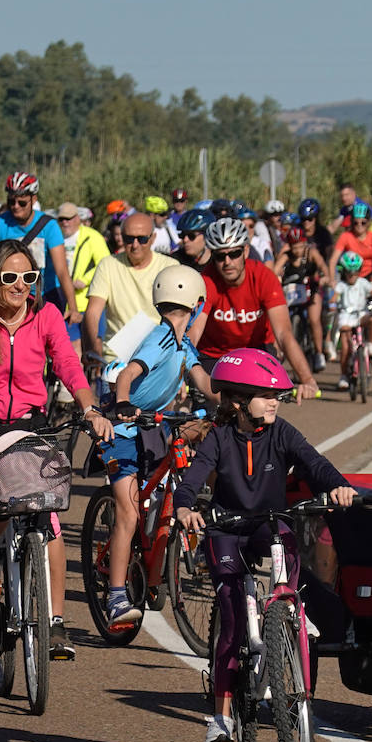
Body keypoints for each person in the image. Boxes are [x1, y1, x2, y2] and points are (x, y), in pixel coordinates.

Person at [0, 240, 113, 660]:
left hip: (31, 423)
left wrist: (90, 408)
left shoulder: (45, 314)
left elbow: (67, 362)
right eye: (9, 278)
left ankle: (56, 623)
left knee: (48, 515)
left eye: (28, 278)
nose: (19, 286)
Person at [172, 349, 354, 742]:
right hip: (225, 529)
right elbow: (193, 479)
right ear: (237, 399)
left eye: (277, 395)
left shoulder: (282, 432)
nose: (274, 401)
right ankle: (220, 718)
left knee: (285, 540)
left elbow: (314, 463)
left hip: (267, 524)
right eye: (264, 394)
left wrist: (337, 484)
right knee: (234, 615)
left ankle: (288, 610)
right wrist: (184, 507)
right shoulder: (219, 438)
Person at [101, 266, 217, 629]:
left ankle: (153, 574)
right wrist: (122, 403)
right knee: (129, 513)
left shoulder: (184, 345)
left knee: (167, 499)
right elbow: (128, 374)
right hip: (123, 432)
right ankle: (116, 596)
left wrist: (235, 399)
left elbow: (205, 383)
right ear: (198, 306)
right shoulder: (161, 338)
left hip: (153, 429)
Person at [187, 218, 319, 399]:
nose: (227, 262)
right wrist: (178, 379)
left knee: (260, 412)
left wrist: (307, 379)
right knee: (204, 415)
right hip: (214, 355)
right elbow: (192, 336)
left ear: (246, 251)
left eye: (234, 254)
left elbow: (283, 334)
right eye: (220, 256)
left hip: (256, 351)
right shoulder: (206, 281)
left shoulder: (264, 277)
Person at [83, 212, 178, 362]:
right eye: (129, 239)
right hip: (117, 359)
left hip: (158, 358)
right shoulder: (108, 265)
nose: (135, 245)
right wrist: (92, 346)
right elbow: (93, 312)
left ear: (152, 238)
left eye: (142, 239)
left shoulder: (170, 267)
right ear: (121, 237)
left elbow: (179, 317)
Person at [0, 172, 78, 320]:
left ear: (33, 199)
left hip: (46, 294)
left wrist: (73, 307)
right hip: (13, 294)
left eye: (22, 203)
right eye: (12, 202)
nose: (16, 207)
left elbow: (61, 270)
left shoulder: (49, 226)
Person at [273, 227, 330, 372]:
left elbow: (323, 267)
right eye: (294, 246)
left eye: (300, 246)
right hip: (292, 293)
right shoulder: (286, 256)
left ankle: (318, 353)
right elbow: (274, 270)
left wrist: (325, 277)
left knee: (313, 318)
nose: (297, 250)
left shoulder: (311, 253)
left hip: (311, 289)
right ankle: (279, 353)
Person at [332, 251, 372, 389]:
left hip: (361, 314)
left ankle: (371, 344)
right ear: (344, 272)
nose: (352, 275)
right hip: (346, 316)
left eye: (355, 272)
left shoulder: (363, 283)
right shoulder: (342, 285)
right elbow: (334, 296)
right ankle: (344, 375)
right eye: (349, 272)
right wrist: (332, 303)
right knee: (346, 347)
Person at [59, 201, 109, 323]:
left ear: (77, 218)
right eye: (61, 219)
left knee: (93, 341)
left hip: (88, 303)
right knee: (70, 342)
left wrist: (85, 280)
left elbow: (105, 264)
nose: (65, 222)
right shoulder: (56, 236)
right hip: (61, 303)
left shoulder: (92, 236)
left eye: (68, 218)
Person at [327, 202, 372, 280]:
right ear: (352, 222)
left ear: (368, 222)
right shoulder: (345, 236)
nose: (359, 225)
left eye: (363, 223)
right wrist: (332, 281)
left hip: (370, 275)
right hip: (350, 275)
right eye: (356, 223)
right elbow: (333, 261)